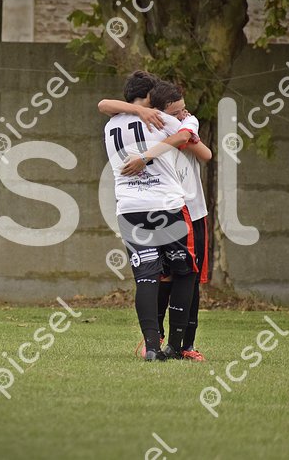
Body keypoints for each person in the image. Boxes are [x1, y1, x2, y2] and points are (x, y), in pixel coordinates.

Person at [102, 76, 199, 361]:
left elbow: (103, 105)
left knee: (146, 278)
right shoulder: (162, 120)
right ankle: (177, 345)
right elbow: (189, 138)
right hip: (166, 206)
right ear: (148, 97)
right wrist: (185, 120)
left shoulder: (110, 125)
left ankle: (152, 348)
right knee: (185, 272)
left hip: (129, 209)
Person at [122, 89, 212, 361]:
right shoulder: (151, 127)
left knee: (190, 278)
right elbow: (104, 104)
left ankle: (186, 344)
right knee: (161, 276)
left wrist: (149, 154)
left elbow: (205, 153)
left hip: (193, 212)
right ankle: (156, 338)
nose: (183, 114)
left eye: (184, 109)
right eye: (176, 111)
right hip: (165, 209)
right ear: (157, 112)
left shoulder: (184, 124)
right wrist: (141, 112)